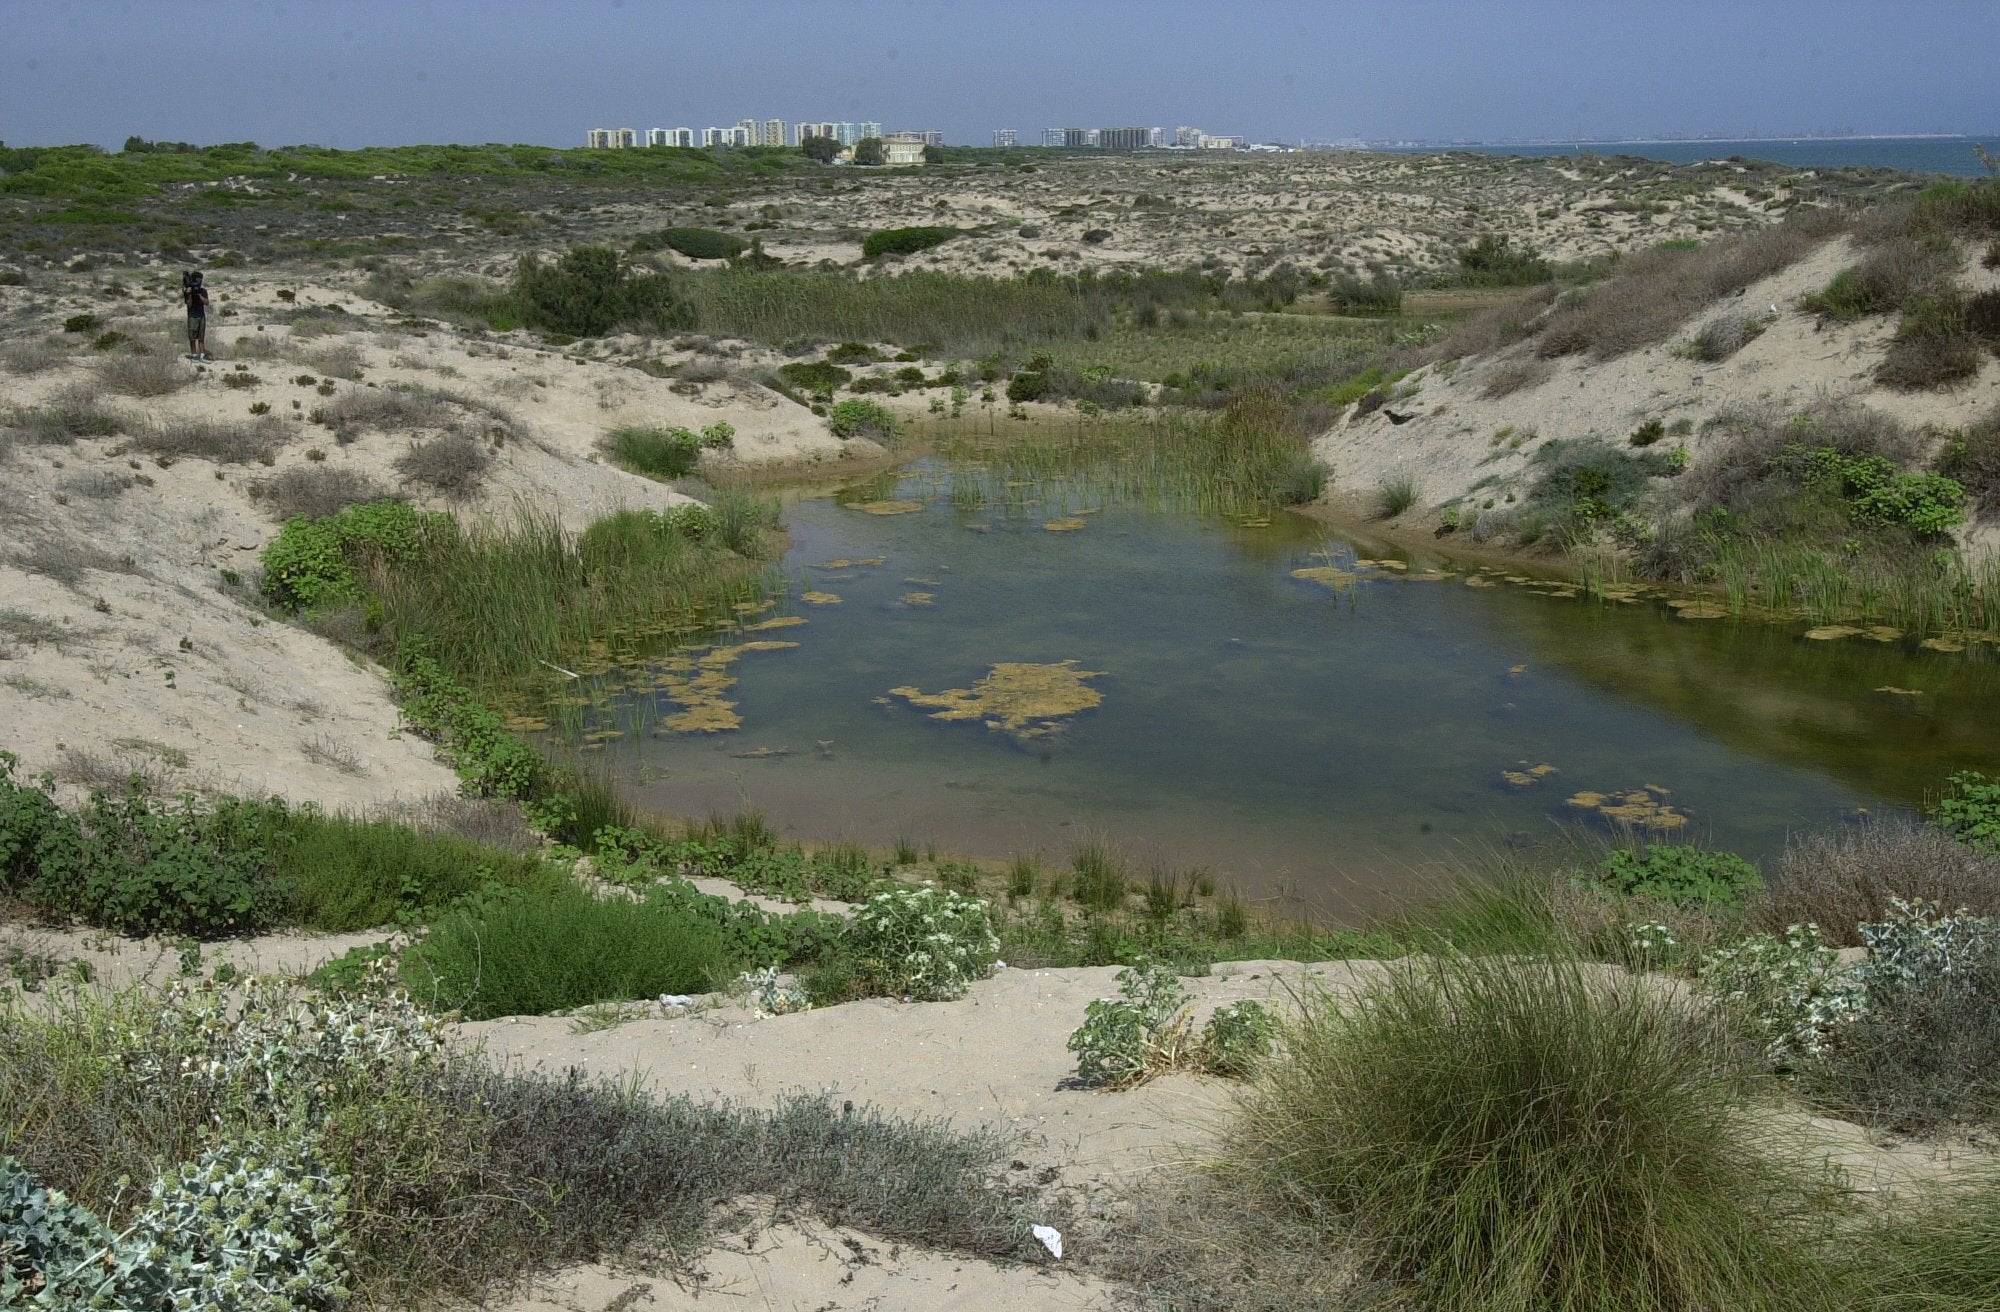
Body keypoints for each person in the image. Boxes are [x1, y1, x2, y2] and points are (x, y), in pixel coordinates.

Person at [181, 270, 210, 360]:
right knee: (192, 337)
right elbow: (189, 304)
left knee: (201, 337)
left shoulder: (203, 291)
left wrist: (199, 295)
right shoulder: (188, 291)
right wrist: (189, 295)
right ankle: (194, 354)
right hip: (192, 316)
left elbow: (206, 302)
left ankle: (202, 354)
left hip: (201, 316)